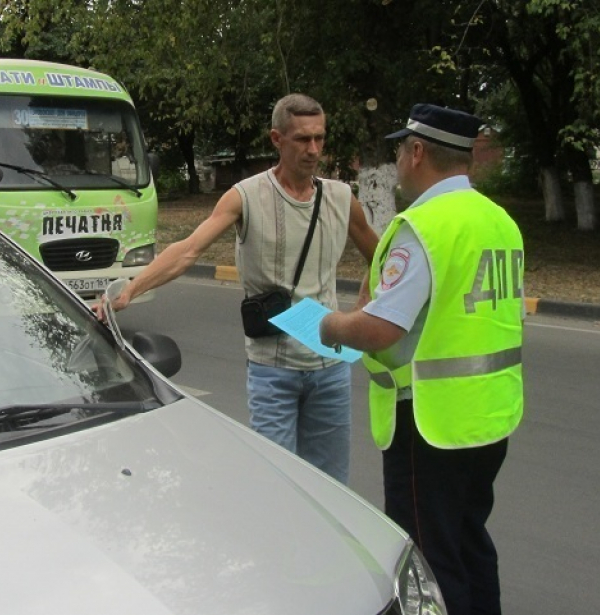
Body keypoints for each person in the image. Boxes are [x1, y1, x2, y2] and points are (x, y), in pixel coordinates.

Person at [100, 94, 378, 485]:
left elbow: (381, 255)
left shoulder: (339, 197)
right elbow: (189, 250)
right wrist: (131, 288)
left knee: (330, 488)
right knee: (274, 483)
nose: (313, 150)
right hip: (273, 370)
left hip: (329, 369)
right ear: (276, 139)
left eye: (320, 138)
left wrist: (363, 305)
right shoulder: (246, 196)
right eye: (302, 139)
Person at [319, 103, 524, 615]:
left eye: (398, 149)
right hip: (488, 417)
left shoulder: (423, 226)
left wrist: (326, 324)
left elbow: (379, 327)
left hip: (429, 423)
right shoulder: (499, 221)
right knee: (470, 539)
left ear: (416, 152)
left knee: (431, 560)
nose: (397, 160)